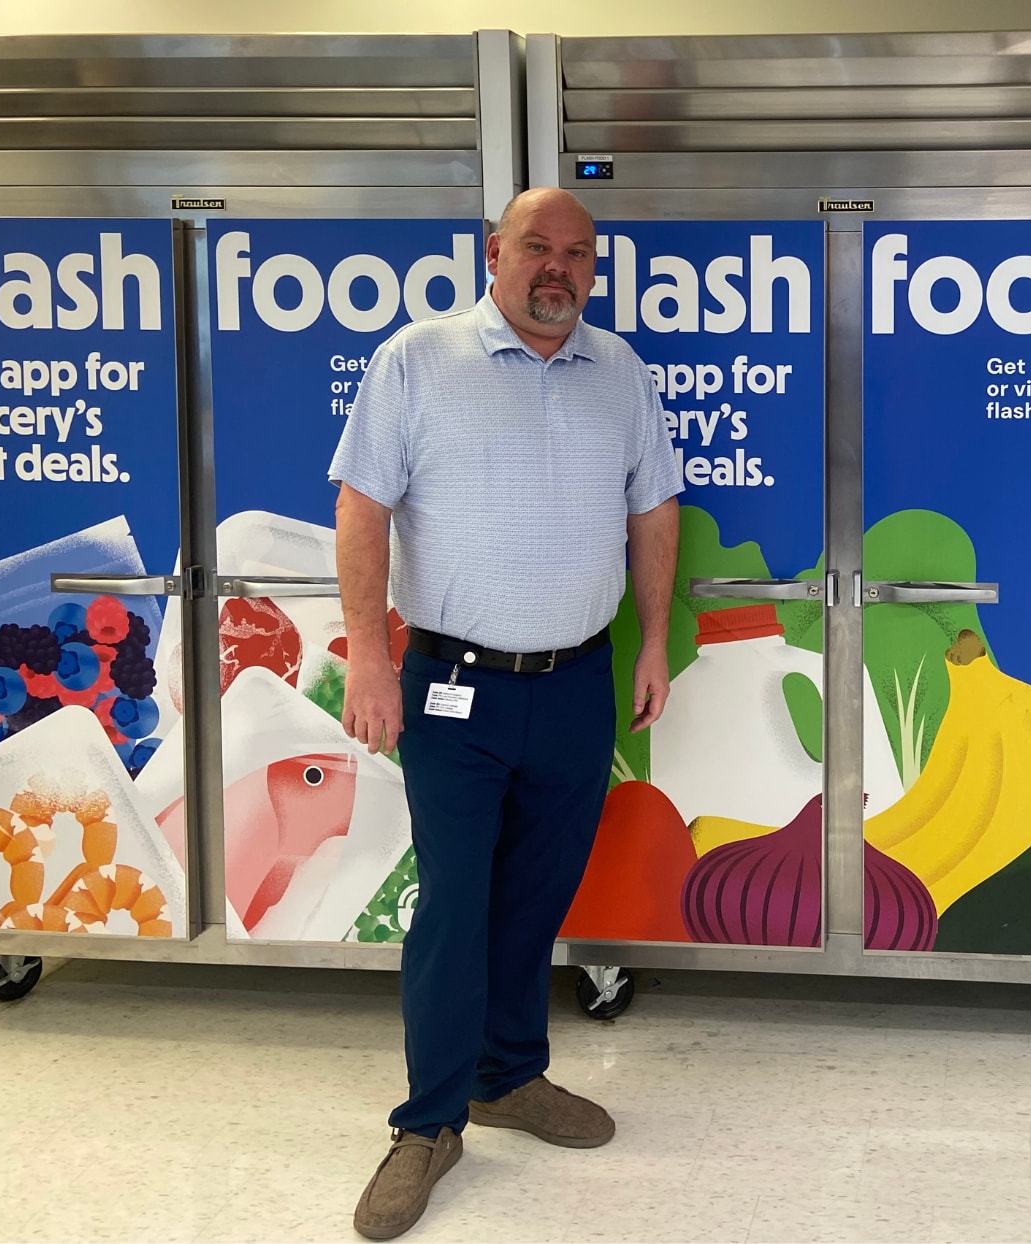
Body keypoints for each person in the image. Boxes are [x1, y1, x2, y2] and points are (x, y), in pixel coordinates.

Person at [331, 187, 681, 1241]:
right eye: (537, 246)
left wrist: (653, 641)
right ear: (493, 253)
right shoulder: (416, 359)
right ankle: (427, 1121)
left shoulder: (617, 370)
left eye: (577, 253)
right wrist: (370, 660)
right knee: (453, 904)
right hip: (452, 685)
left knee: (536, 894)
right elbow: (360, 505)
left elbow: (653, 506)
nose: (557, 268)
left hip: (576, 682)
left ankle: (508, 1074)